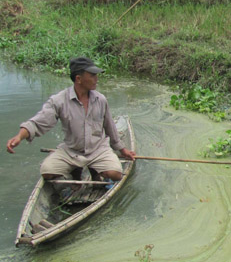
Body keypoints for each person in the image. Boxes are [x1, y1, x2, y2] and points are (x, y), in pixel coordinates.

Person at [6, 57, 136, 182]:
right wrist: (19, 137)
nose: (96, 79)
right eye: (92, 75)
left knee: (116, 174)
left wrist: (122, 150)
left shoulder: (100, 99)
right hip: (71, 151)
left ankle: (96, 171)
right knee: (47, 172)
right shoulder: (59, 101)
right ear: (78, 79)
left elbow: (110, 127)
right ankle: (74, 172)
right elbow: (37, 123)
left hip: (98, 150)